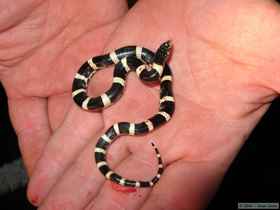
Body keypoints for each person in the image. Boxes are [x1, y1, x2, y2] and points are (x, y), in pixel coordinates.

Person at [0, 0, 279, 209]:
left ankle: (126, 174)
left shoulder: (151, 71)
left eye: (164, 54)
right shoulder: (140, 68)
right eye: (164, 53)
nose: (167, 50)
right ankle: (127, 175)